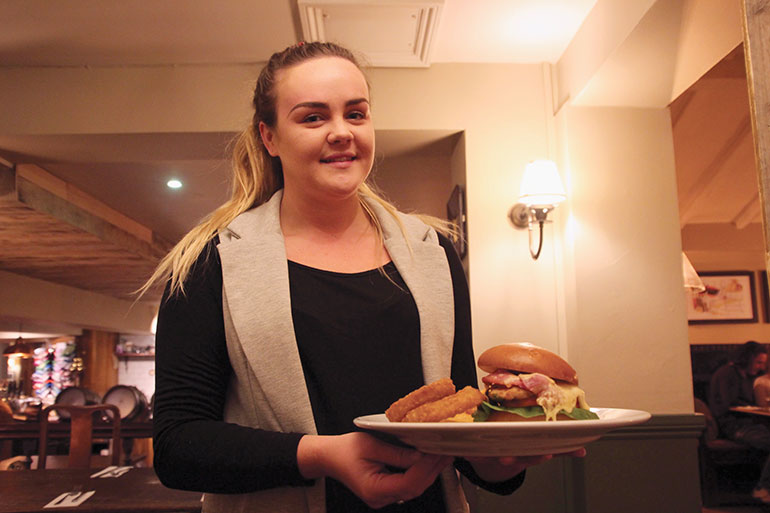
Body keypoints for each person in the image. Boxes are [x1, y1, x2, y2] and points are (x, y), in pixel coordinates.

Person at [144, 42, 581, 513]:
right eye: (313, 118)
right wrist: (324, 456)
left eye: (356, 113)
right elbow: (178, 447)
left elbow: (458, 414)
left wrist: (503, 458)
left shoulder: (432, 252)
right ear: (269, 138)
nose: (341, 132)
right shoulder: (209, 263)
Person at [708, 341, 770, 502]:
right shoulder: (727, 373)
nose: (761, 368)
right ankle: (762, 488)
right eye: (758, 362)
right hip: (733, 425)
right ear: (747, 358)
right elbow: (729, 404)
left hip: (747, 424)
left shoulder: (747, 376)